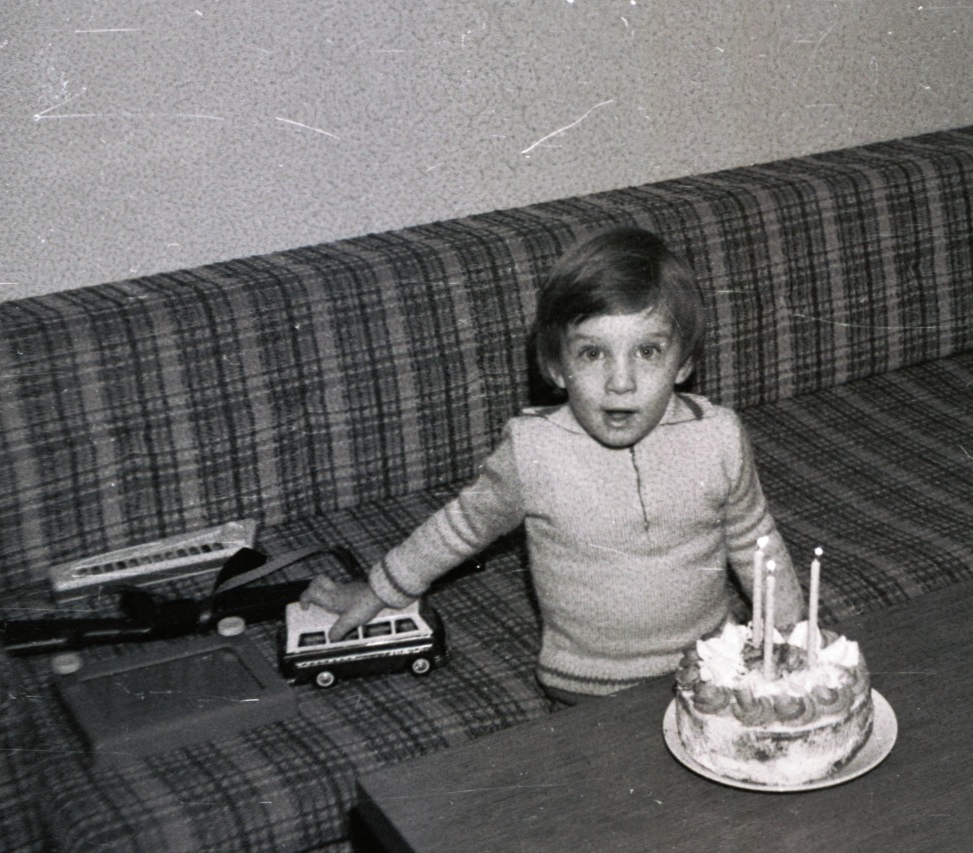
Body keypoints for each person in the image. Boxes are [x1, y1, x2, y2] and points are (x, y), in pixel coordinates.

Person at [300, 225, 805, 703]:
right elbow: (457, 529)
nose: (621, 382)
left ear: (686, 362)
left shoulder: (718, 436)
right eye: (592, 354)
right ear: (556, 367)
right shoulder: (533, 451)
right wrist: (377, 589)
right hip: (584, 687)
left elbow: (755, 543)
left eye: (648, 351)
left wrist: (793, 637)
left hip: (712, 669)